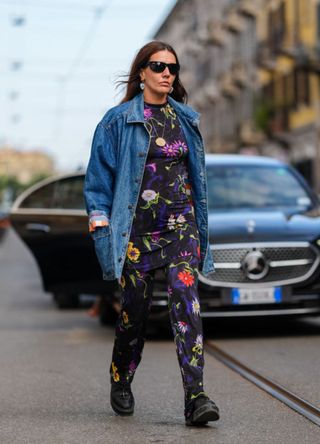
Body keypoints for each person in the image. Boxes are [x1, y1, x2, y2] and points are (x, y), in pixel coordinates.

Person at [84, 41, 220, 426]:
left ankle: (196, 397)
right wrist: (101, 227)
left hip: (180, 228)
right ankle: (121, 377)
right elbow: (98, 185)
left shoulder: (185, 120)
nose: (166, 74)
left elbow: (196, 180)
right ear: (141, 72)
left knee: (186, 304)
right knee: (134, 314)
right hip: (136, 235)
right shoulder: (116, 121)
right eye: (158, 66)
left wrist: (198, 224)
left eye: (172, 69)